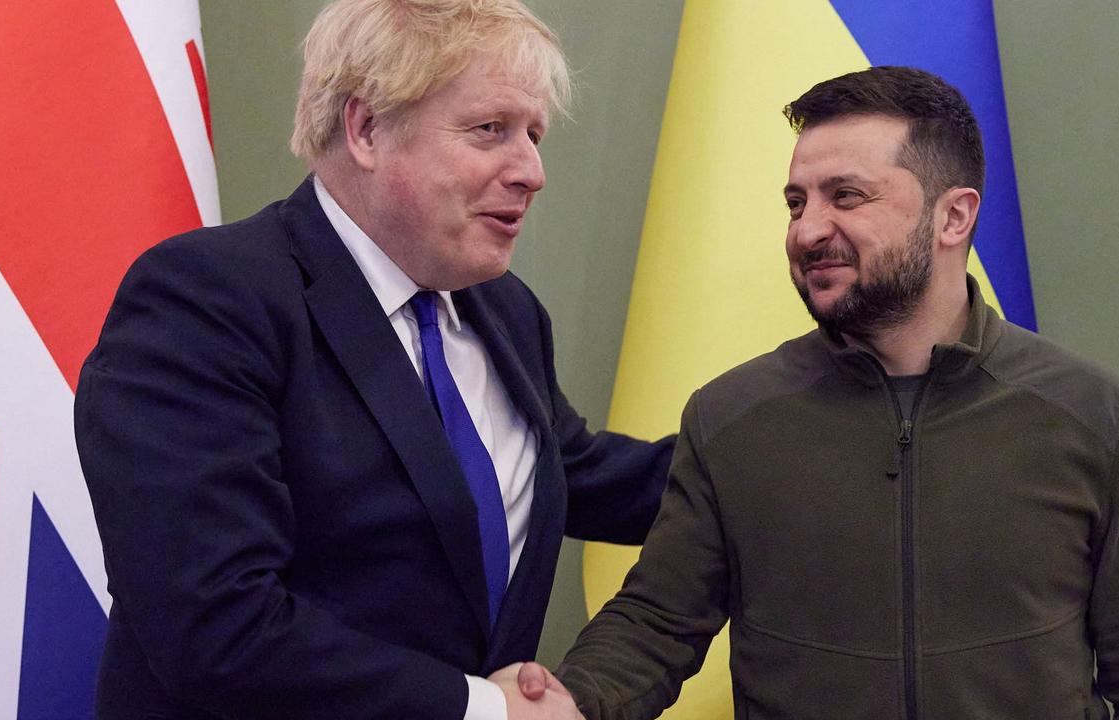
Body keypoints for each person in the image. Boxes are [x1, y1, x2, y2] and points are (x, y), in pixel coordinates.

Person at [522, 66, 1119, 718]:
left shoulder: (1088, 413)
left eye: (845, 196)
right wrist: (566, 702)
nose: (807, 229)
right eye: (797, 202)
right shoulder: (731, 419)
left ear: (954, 217)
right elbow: (656, 623)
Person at [73, 1, 671, 718]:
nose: (532, 171)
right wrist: (483, 710)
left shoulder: (504, 312)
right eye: (491, 130)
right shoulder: (207, 300)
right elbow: (215, 626)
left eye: (535, 135)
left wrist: (807, 440)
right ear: (366, 128)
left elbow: (583, 475)